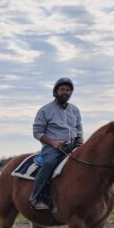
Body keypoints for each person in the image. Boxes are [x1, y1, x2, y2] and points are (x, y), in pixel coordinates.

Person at [30, 77, 84, 210]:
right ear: (55, 92)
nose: (65, 92)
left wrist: (80, 138)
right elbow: (37, 132)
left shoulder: (75, 110)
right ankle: (36, 198)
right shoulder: (45, 110)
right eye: (62, 90)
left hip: (73, 146)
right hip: (53, 148)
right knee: (49, 164)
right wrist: (53, 143)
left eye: (68, 90)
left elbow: (79, 127)